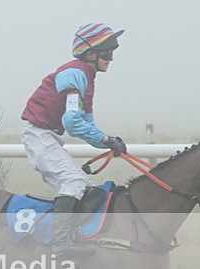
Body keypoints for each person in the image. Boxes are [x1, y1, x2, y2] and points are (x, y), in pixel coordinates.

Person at [21, 22, 127, 256]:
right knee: (74, 184)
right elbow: (72, 122)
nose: (111, 58)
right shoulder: (76, 73)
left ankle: (73, 238)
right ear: (90, 53)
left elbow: (86, 123)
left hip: (47, 137)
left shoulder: (85, 77)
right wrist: (106, 140)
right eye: (108, 53)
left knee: (85, 188)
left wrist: (108, 141)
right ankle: (59, 246)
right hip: (40, 136)